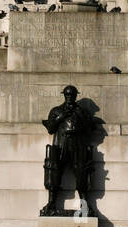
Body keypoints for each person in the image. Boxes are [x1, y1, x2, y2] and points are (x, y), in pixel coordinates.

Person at [40, 84, 95, 217]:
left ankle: (84, 205)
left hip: (77, 145)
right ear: (64, 95)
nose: (69, 97)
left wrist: (81, 119)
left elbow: (90, 129)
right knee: (54, 174)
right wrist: (61, 117)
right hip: (61, 145)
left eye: (72, 95)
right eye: (67, 95)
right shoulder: (56, 110)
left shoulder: (81, 111)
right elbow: (50, 128)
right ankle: (51, 204)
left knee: (81, 175)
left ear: (76, 96)